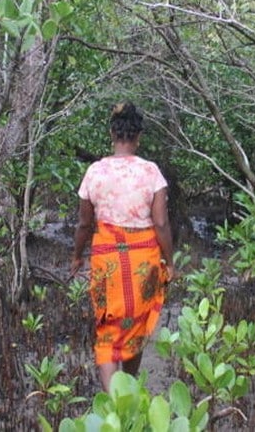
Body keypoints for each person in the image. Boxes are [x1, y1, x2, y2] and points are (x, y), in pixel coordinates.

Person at [71, 102, 175, 392]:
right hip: (143, 262)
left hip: (107, 262)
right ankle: (127, 395)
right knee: (136, 327)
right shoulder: (151, 172)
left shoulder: (95, 172)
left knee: (107, 330)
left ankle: (113, 405)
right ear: (138, 136)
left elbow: (84, 224)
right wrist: (170, 262)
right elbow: (161, 223)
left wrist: (77, 256)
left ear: (112, 134)